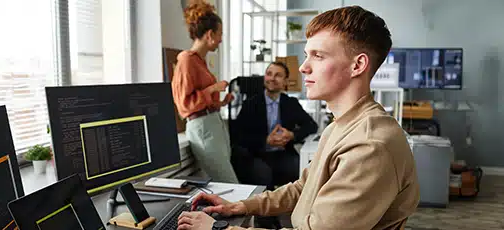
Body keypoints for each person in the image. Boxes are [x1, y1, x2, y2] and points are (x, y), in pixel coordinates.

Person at [177, 6, 420, 230]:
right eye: (307, 55)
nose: (303, 67)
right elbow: (304, 187)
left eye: (318, 56)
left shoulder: (370, 147)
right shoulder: (342, 124)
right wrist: (241, 205)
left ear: (357, 65)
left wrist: (217, 228)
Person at [171, 0, 239, 183]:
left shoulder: (201, 61)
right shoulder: (186, 60)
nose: (221, 39)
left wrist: (221, 102)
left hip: (212, 124)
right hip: (202, 128)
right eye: (220, 34)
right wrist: (214, 88)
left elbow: (202, 100)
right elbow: (184, 105)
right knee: (229, 182)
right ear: (210, 34)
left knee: (226, 180)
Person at [234, 62, 318, 189]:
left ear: (285, 82)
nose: (272, 78)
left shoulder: (290, 103)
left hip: (283, 153)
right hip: (257, 154)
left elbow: (312, 125)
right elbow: (237, 136)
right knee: (263, 174)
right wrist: (265, 140)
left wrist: (292, 135)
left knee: (303, 170)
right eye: (269, 74)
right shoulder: (250, 104)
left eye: (278, 75)